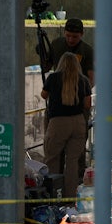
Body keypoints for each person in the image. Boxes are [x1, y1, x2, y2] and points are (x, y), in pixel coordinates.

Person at [41, 52, 92, 199]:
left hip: (58, 122)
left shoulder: (53, 78)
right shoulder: (83, 80)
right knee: (72, 161)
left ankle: (52, 194)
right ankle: (70, 195)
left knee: (52, 159)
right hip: (78, 122)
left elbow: (44, 95)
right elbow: (87, 105)